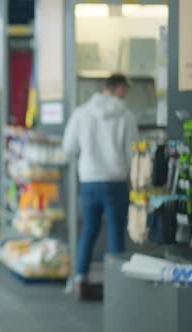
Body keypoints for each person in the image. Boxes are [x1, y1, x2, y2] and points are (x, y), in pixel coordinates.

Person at [63, 73, 139, 300]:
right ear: (119, 89)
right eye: (125, 89)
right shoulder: (126, 116)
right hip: (115, 182)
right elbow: (133, 151)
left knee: (89, 230)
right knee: (116, 232)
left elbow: (68, 147)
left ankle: (80, 281)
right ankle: (117, 289)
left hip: (88, 181)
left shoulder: (81, 113)